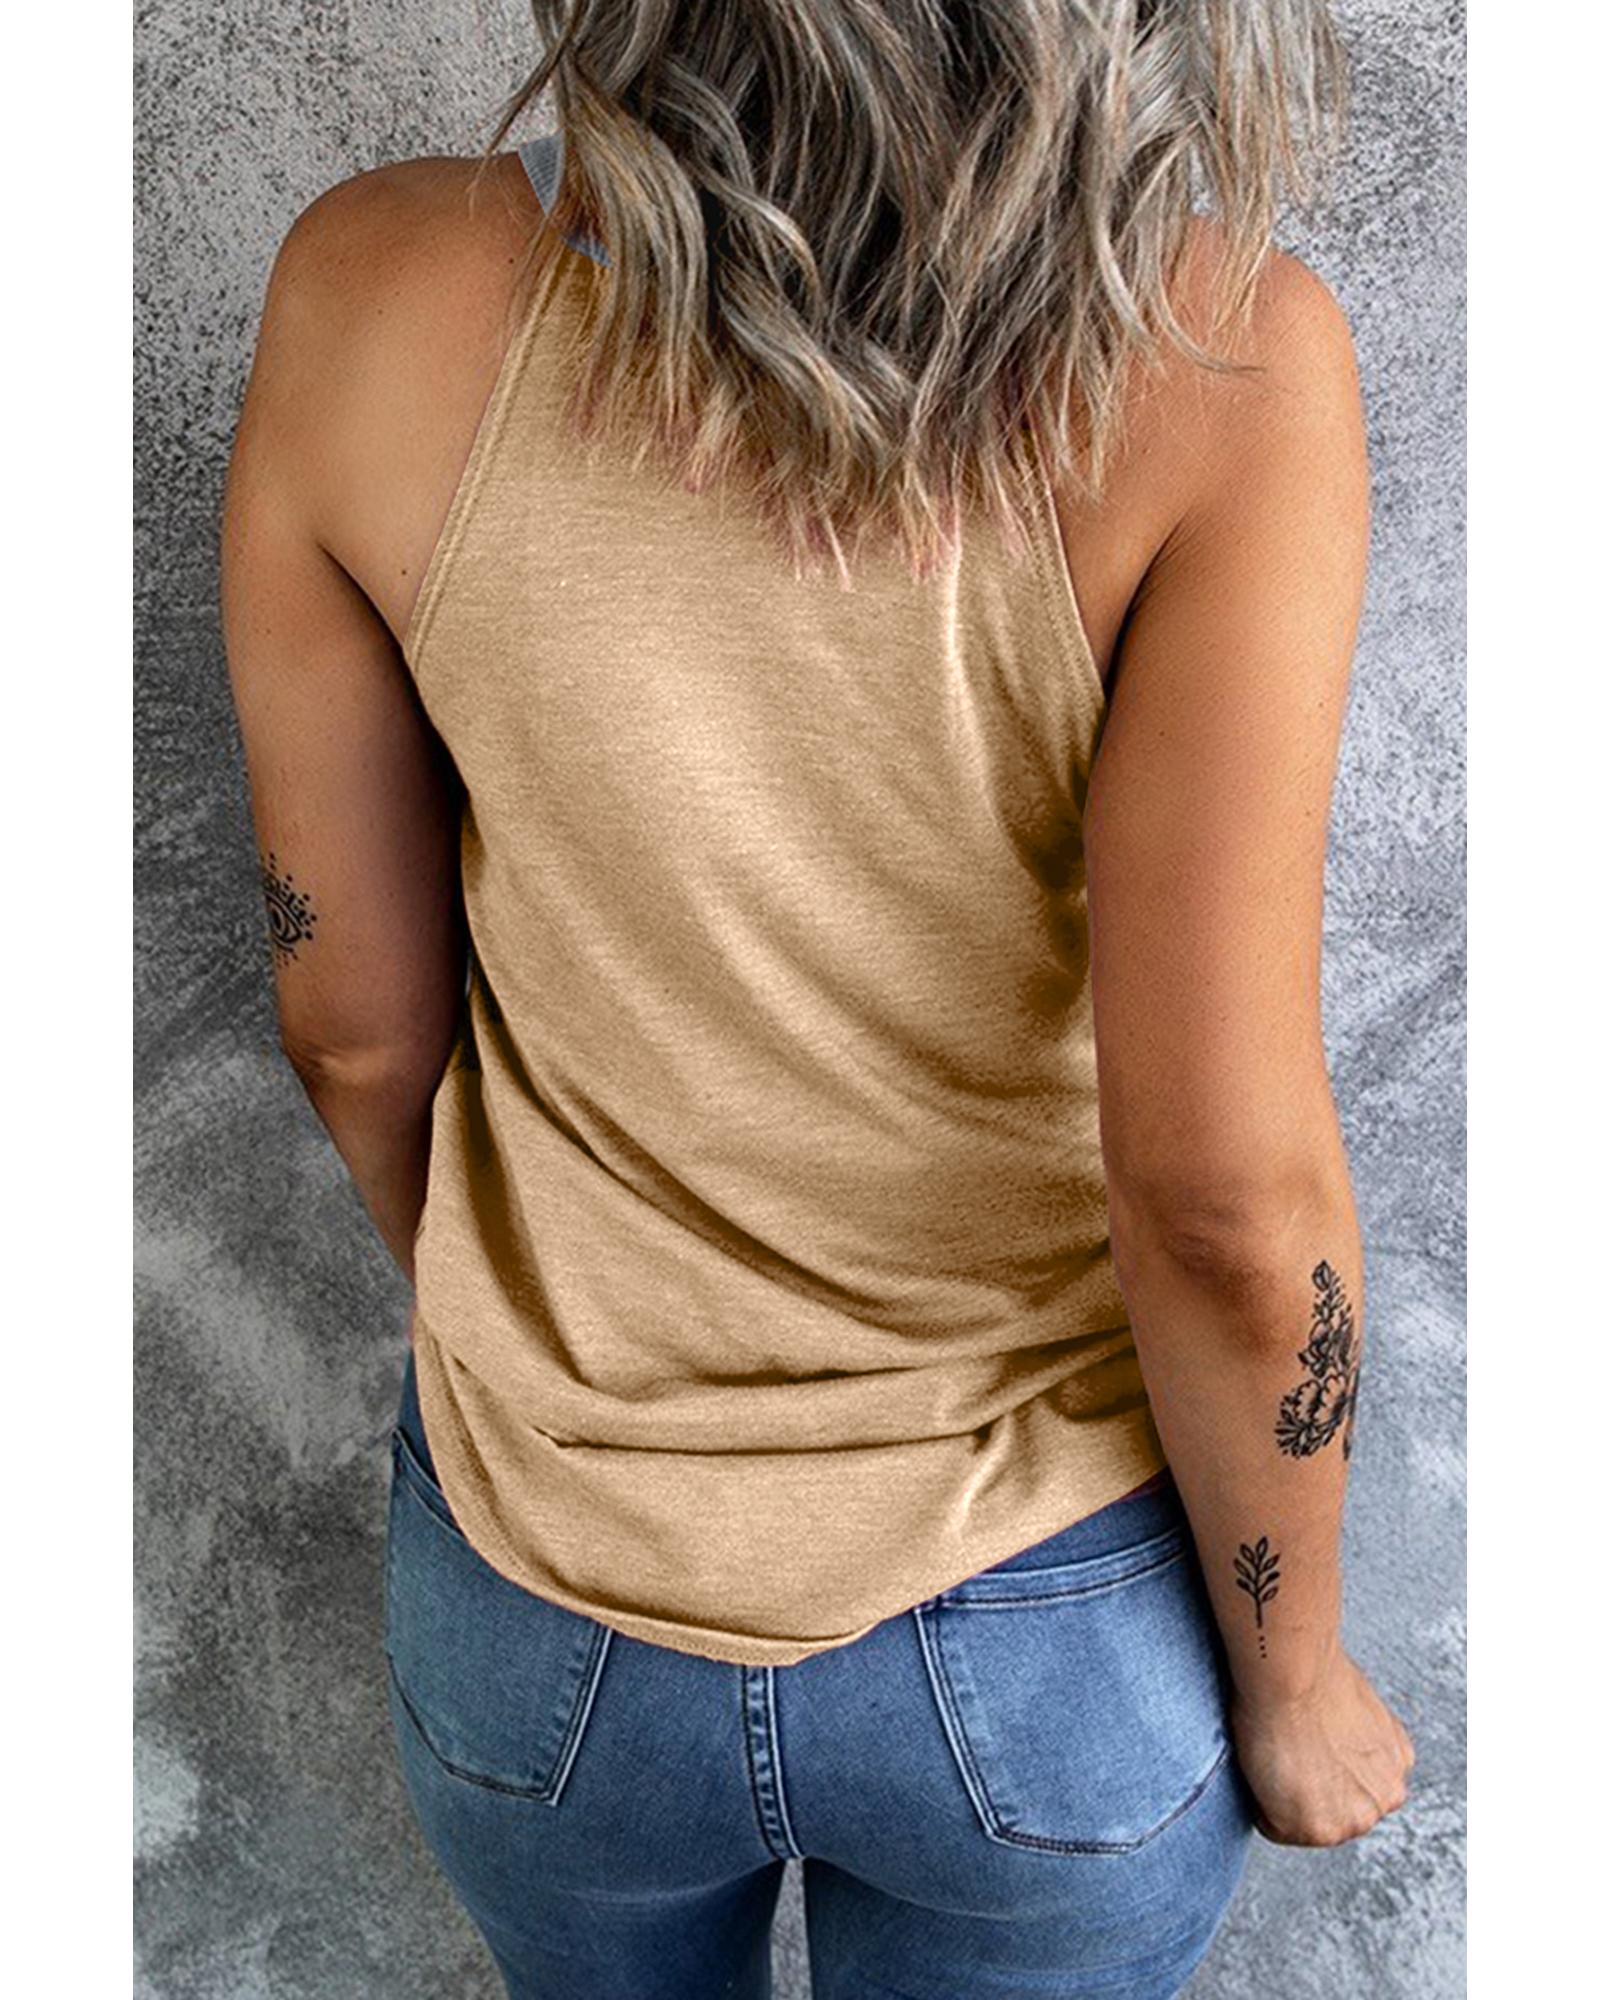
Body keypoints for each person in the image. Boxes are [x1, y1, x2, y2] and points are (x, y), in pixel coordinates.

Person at [220, 4, 1415, 1994]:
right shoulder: (1225, 360)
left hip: (544, 1598)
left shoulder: (370, 291)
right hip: (1043, 1617)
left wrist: (565, 1362)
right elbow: (1219, 1200)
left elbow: (349, 1027)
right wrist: (1291, 1680)